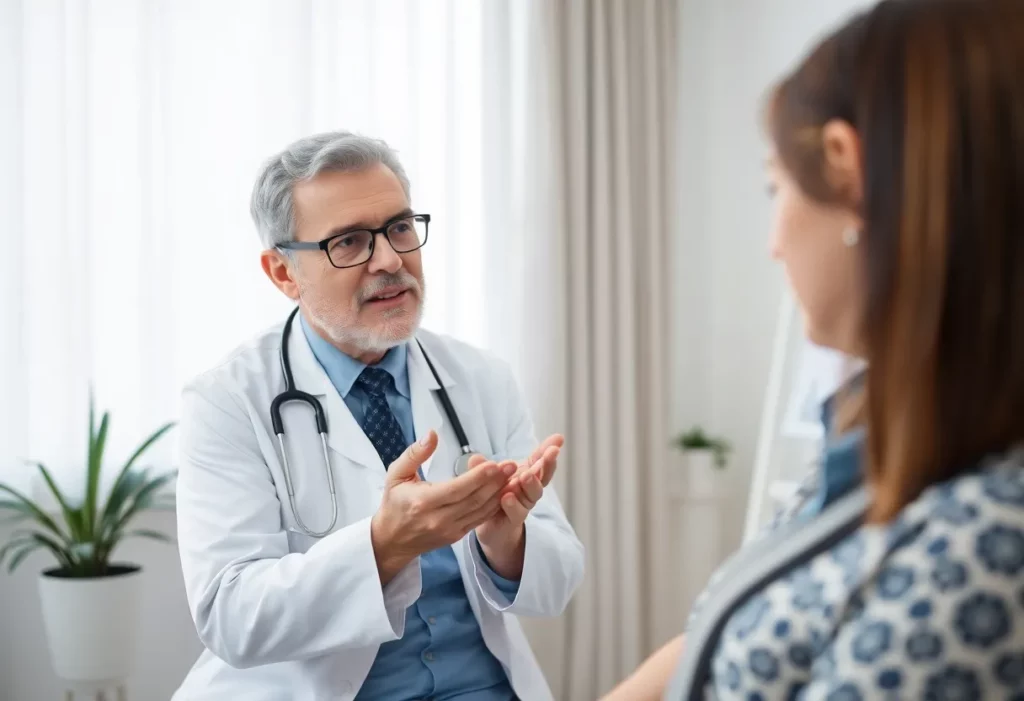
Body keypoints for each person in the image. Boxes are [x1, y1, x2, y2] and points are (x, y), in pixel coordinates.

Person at [604, 0, 1024, 698]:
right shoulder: (869, 436)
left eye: (776, 189)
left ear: (845, 168)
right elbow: (718, 634)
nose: (773, 244)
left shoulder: (985, 546)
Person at [172, 131, 584, 700]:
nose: (390, 260)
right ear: (284, 273)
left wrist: (505, 541)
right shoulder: (226, 402)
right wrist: (383, 545)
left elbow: (560, 579)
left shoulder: (482, 378)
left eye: (399, 228)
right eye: (349, 242)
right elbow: (231, 616)